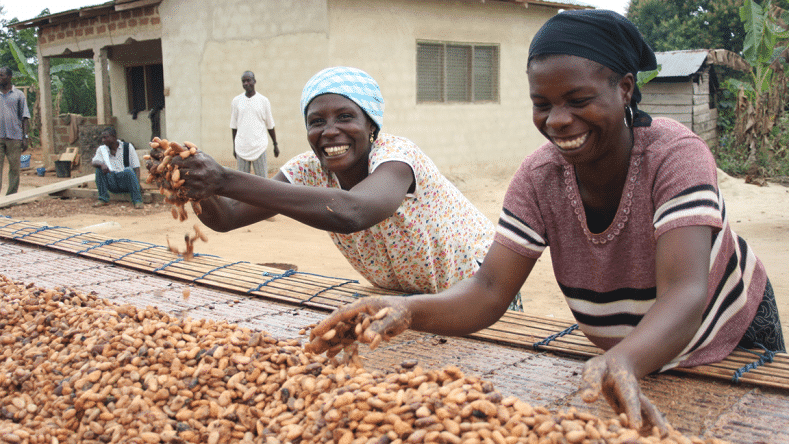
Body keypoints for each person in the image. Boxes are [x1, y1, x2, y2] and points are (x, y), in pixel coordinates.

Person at [307, 10, 785, 434]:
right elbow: (490, 289)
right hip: (625, 360)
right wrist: (410, 310)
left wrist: (622, 359)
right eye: (543, 104)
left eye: (578, 100)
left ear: (624, 89)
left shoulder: (674, 156)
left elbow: (685, 293)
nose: (557, 120)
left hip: (728, 338)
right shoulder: (540, 177)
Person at [154, 66, 495, 295]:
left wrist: (223, 178)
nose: (330, 132)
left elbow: (351, 212)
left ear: (371, 126)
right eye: (316, 122)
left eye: (345, 117)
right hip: (404, 297)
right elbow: (227, 217)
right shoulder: (308, 168)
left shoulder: (397, 158)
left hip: (475, 288)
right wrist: (191, 183)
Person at [230, 71, 279, 177]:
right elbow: (234, 126)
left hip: (259, 147)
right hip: (242, 148)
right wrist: (234, 147)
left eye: (248, 80)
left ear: (254, 81)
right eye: (243, 81)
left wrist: (275, 144)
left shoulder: (263, 101)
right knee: (242, 182)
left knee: (262, 181)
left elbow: (270, 125)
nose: (246, 83)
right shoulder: (236, 101)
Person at [91, 127, 144, 209]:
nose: (103, 140)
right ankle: (103, 199)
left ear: (114, 137)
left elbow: (136, 168)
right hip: (111, 182)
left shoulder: (127, 147)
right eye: (102, 138)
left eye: (106, 137)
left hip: (125, 182)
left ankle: (137, 200)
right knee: (98, 169)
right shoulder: (102, 149)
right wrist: (101, 164)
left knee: (128, 170)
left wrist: (137, 184)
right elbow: (94, 162)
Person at [0, 67, 31, 196]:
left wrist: (25, 137)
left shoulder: (19, 95)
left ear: (9, 77)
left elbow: (25, 117)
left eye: (1, 75)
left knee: (14, 169)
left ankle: (11, 196)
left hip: (15, 138)